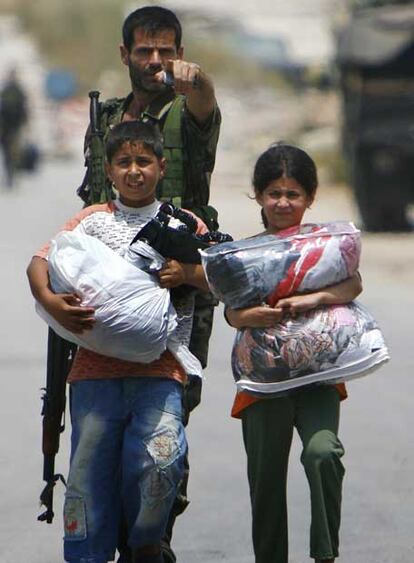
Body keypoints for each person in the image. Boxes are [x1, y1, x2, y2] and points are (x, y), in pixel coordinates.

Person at [27, 121, 208, 563]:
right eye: (124, 162)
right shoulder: (92, 221)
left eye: (143, 161)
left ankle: (144, 544)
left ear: (161, 167)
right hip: (94, 377)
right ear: (109, 170)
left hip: (161, 374)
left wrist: (185, 274)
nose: (134, 171)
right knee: (88, 486)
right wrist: (51, 302)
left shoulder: (184, 224)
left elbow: (223, 277)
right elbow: (39, 262)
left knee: (160, 465)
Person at [76, 11, 221, 557]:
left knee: (167, 428)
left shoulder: (188, 112)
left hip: (178, 287)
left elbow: (206, 101)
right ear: (125, 55)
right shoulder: (107, 117)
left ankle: (152, 540)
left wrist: (198, 79)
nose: (155, 61)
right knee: (102, 419)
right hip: (106, 285)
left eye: (166, 51)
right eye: (144, 52)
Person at [225, 143, 363, 563]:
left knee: (323, 454)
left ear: (310, 198)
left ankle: (325, 554)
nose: (283, 203)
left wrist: (311, 300)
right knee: (266, 484)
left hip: (318, 376)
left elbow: (353, 284)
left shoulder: (325, 245)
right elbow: (232, 314)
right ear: (258, 196)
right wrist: (255, 315)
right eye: (274, 193)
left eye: (293, 194)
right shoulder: (243, 253)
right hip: (262, 381)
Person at [0, 69, 28, 186]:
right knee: (11, 154)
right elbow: (23, 109)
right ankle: (10, 176)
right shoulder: (17, 91)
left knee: (9, 154)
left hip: (8, 128)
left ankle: (10, 176)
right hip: (12, 128)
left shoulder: (7, 91)